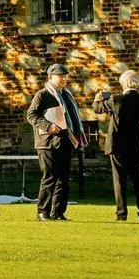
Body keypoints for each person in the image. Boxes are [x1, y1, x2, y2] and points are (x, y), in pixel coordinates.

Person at [26, 64, 87, 221]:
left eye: (65, 75)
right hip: (47, 143)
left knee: (64, 180)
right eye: (60, 75)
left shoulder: (67, 96)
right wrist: (48, 126)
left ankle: (58, 212)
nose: (64, 78)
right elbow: (31, 115)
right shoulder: (43, 95)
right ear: (50, 77)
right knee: (50, 177)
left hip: (65, 141)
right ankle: (42, 212)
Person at [108, 68, 139, 223]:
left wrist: (99, 98)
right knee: (138, 180)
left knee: (119, 181)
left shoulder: (117, 99)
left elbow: (98, 108)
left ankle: (122, 213)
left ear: (123, 83)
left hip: (118, 145)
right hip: (135, 144)